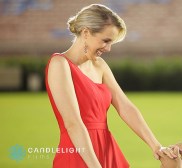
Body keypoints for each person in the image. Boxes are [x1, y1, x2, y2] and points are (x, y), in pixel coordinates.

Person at [45, 4, 175, 168]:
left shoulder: (100, 65)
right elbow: (73, 123)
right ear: (86, 33)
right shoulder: (60, 64)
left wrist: (156, 146)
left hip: (107, 150)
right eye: (105, 41)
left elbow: (125, 106)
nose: (108, 48)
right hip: (78, 154)